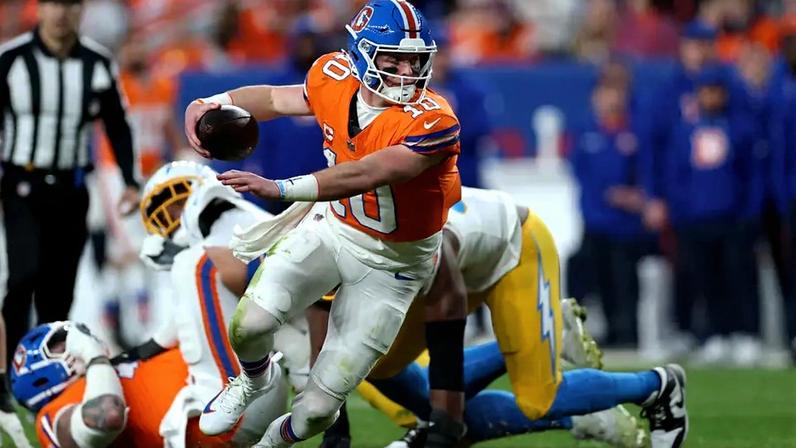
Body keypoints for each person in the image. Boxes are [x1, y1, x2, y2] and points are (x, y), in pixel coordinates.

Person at [183, 1, 462, 446]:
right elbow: (276, 99)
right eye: (393, 57)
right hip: (335, 229)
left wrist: (280, 187)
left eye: (414, 59)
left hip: (394, 266)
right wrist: (212, 102)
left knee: (315, 412)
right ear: (360, 52)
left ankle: (273, 442)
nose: (407, 70)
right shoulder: (333, 75)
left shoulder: (435, 120)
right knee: (249, 325)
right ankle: (253, 380)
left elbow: (366, 173)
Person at [353, 187, 687, 448]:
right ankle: (553, 338)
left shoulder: (423, 246)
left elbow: (447, 334)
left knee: (539, 400)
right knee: (377, 365)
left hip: (516, 249)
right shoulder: (338, 239)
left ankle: (657, 385)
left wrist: (444, 424)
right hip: (454, 262)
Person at [0, 0, 139, 366]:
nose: (61, 13)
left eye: (70, 4)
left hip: (72, 189)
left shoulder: (96, 62)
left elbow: (117, 123)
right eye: (53, 4)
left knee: (59, 291)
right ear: (39, 9)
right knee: (22, 276)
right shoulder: (11, 59)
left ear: (81, 10)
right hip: (21, 186)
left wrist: (130, 179)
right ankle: (12, 369)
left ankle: (43, 368)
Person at [570, 69, 656, 348]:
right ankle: (592, 330)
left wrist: (638, 197)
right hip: (595, 221)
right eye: (605, 92)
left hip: (626, 225)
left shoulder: (636, 131)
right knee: (595, 276)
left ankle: (628, 331)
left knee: (624, 279)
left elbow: (648, 173)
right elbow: (582, 175)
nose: (610, 99)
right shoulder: (586, 132)